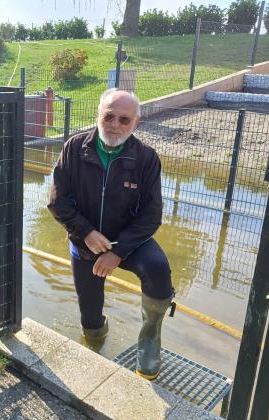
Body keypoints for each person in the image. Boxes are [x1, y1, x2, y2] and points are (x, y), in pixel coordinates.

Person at [47, 88, 175, 380]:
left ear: (136, 123)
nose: (115, 125)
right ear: (98, 116)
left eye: (124, 119)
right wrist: (87, 233)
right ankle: (93, 346)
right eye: (109, 116)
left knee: (157, 269)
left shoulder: (146, 158)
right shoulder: (74, 148)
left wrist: (118, 252)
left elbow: (151, 215)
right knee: (90, 319)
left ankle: (150, 341)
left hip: (128, 242)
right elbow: (57, 201)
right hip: (86, 242)